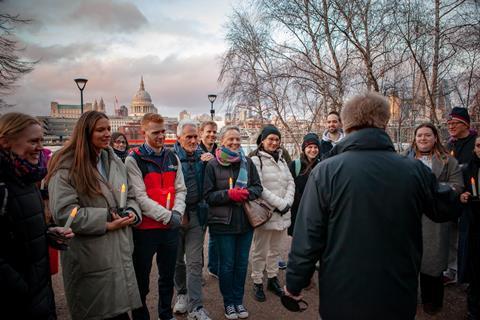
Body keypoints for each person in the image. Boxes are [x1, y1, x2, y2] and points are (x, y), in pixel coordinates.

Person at [284, 92, 461, 320]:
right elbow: (446, 207)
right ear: (384, 122)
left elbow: (308, 234)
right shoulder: (413, 170)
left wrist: (294, 283)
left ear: (346, 126)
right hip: (397, 291)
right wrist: (454, 190)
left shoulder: (325, 171)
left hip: (342, 293)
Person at [47, 111, 141, 320]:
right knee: (97, 311)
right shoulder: (66, 165)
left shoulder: (114, 160)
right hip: (90, 253)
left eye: (108, 128)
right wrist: (107, 222)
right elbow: (63, 212)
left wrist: (132, 213)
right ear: (85, 132)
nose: (108, 134)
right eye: (101, 130)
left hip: (119, 248)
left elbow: (131, 195)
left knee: (118, 310)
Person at [0, 112, 73, 320]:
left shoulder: (27, 177)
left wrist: (47, 234)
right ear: (5, 142)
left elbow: (16, 229)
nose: (41, 147)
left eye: (41, 140)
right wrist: (21, 288)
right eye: (33, 141)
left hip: (37, 290)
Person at [125, 113, 187, 320]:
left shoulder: (172, 157)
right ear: (143, 133)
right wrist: (169, 216)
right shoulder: (133, 159)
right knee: (141, 279)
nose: (161, 136)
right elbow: (139, 198)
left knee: (167, 277)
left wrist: (177, 212)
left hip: (169, 228)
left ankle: (165, 314)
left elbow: (181, 189)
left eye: (163, 131)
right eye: (156, 132)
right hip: (145, 230)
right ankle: (141, 316)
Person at [204, 125, 263, 319]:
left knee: (241, 264)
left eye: (238, 139)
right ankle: (228, 302)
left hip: (245, 223)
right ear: (222, 141)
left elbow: (257, 187)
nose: (235, 142)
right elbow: (208, 195)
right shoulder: (213, 164)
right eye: (231, 139)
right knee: (227, 265)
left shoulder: (247, 162)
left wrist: (247, 193)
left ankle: (239, 301)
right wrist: (228, 194)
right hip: (223, 223)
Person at [405, 122, 463, 315]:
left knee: (433, 263)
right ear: (414, 138)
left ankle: (433, 302)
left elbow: (457, 185)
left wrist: (433, 187)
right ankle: (409, 299)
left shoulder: (447, 160)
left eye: (427, 135)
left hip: (435, 220)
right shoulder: (404, 160)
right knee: (408, 261)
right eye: (419, 135)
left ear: (435, 138)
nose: (423, 138)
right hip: (409, 217)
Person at [249, 125, 295, 302]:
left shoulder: (283, 160)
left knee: (275, 250)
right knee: (260, 249)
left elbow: (291, 182)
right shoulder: (255, 160)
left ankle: (272, 278)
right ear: (263, 140)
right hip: (266, 213)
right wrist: (281, 203)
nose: (274, 142)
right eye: (271, 139)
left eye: (277, 139)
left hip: (283, 213)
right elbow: (259, 187)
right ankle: (258, 281)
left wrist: (288, 202)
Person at [172, 120, 211, 320]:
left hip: (196, 214)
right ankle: (182, 295)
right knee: (178, 260)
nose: (194, 140)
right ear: (179, 138)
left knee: (194, 262)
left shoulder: (203, 157)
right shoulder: (170, 158)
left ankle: (196, 307)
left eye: (196, 136)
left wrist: (211, 163)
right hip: (176, 215)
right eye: (189, 136)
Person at [446, 107, 478, 285]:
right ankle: (452, 270)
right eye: (448, 123)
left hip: (471, 199)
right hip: (452, 196)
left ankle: (467, 273)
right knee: (450, 234)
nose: (450, 126)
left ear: (465, 124)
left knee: (467, 238)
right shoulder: (449, 144)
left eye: (454, 123)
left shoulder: (476, 143)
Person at [459, 136, 480, 320]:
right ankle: (474, 309)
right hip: (474, 224)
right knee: (475, 267)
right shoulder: (467, 169)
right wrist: (463, 196)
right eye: (479, 145)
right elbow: (458, 190)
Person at [288, 133, 321, 236]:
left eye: (316, 147)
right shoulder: (295, 165)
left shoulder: (322, 164)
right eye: (309, 147)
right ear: (304, 149)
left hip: (316, 210)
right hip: (298, 211)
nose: (313, 150)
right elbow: (289, 186)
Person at [198, 120, 220, 278]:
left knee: (215, 235)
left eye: (214, 132)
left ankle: (213, 267)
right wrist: (200, 162)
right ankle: (197, 272)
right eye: (208, 132)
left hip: (215, 198)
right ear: (201, 133)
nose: (212, 135)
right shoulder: (195, 149)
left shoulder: (220, 151)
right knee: (198, 238)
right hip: (199, 199)